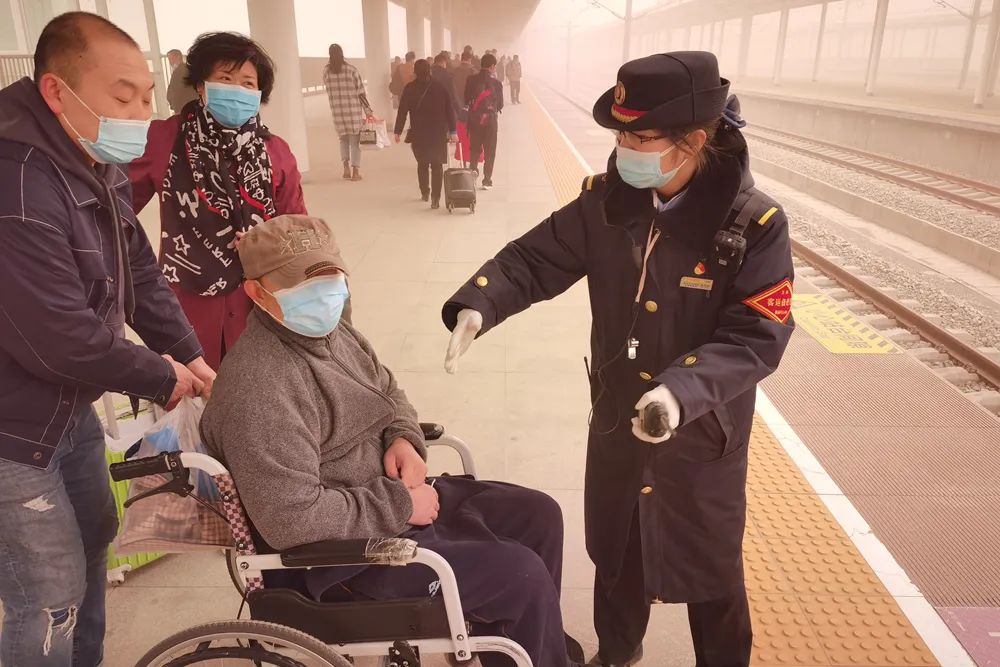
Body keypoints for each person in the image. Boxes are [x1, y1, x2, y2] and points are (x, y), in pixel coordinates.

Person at [441, 52, 795, 667]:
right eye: (622, 132)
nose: (626, 146)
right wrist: (481, 303)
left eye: (642, 135)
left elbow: (757, 335)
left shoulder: (752, 224)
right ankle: (617, 653)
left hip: (700, 436)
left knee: (711, 574)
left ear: (696, 140)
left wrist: (679, 394)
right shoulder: (608, 203)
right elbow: (534, 259)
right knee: (617, 555)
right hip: (616, 423)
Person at [200, 214, 586, 667]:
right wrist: (402, 504)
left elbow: (389, 392)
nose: (324, 293)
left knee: (539, 515)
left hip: (383, 498)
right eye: (303, 285)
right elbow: (291, 519)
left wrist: (403, 437)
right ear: (256, 291)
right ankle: (526, 632)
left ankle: (527, 643)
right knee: (520, 576)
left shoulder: (332, 332)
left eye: (330, 276)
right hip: (340, 560)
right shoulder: (260, 389)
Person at [0, 12, 213, 665]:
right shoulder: (19, 186)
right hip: (13, 425)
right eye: (123, 96)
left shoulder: (90, 157)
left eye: (148, 95)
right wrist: (162, 374)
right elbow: (59, 335)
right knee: (47, 593)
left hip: (67, 407)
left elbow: (139, 269)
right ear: (57, 92)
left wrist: (192, 354)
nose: (142, 112)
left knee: (95, 532)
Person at [130, 31, 307, 372]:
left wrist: (268, 242)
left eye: (247, 83)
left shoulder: (276, 153)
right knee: (196, 405)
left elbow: (298, 229)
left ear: (259, 94)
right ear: (201, 85)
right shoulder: (163, 140)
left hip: (260, 306)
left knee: (257, 401)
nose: (237, 91)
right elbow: (112, 209)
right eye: (225, 79)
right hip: (186, 311)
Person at [395, 59, 457, 209]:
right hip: (437, 133)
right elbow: (450, 110)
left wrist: (397, 131)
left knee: (422, 164)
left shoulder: (409, 88)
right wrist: (453, 131)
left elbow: (402, 111)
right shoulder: (439, 87)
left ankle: (425, 192)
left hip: (419, 133)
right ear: (429, 70)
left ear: (415, 72)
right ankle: (435, 198)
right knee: (436, 165)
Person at [322, 43, 373, 182]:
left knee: (343, 139)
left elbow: (328, 90)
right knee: (355, 142)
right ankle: (355, 172)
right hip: (353, 112)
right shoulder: (351, 70)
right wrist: (368, 111)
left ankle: (345, 168)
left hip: (338, 112)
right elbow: (361, 92)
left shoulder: (326, 72)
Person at [463, 52, 503, 190]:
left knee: (475, 148)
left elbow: (467, 99)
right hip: (490, 122)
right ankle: (487, 180)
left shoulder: (471, 79)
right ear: (492, 66)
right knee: (490, 150)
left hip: (475, 120)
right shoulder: (497, 83)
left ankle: (473, 171)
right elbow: (501, 105)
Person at [165, 47, 198, 113]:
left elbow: (177, 90)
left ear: (178, 57)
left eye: (172, 58)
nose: (170, 62)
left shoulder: (182, 71)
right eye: (169, 59)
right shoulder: (180, 70)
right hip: (183, 106)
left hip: (183, 107)